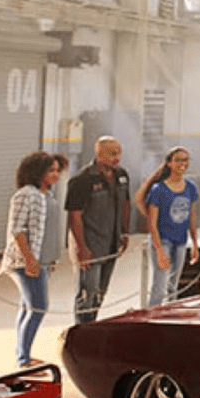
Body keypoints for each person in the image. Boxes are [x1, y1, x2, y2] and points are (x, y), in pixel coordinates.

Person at [0, 152, 64, 367]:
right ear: (37, 172)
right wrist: (29, 259)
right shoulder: (25, 195)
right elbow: (17, 230)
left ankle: (23, 354)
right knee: (38, 307)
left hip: (42, 261)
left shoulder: (48, 195)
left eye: (57, 170)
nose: (55, 174)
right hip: (24, 261)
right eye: (50, 170)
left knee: (28, 307)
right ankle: (23, 360)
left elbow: (49, 230)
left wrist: (50, 260)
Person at [66, 135, 130, 324]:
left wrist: (124, 233)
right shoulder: (82, 180)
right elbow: (74, 215)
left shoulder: (121, 176)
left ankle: (92, 326)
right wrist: (82, 248)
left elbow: (126, 204)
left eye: (119, 153)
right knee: (87, 294)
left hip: (110, 244)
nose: (117, 157)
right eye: (112, 153)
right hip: (90, 245)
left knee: (100, 293)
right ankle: (81, 332)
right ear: (99, 154)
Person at [144, 147, 200, 306]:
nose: (182, 164)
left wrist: (195, 244)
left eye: (185, 160)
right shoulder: (158, 190)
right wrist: (159, 250)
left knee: (173, 287)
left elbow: (192, 217)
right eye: (178, 160)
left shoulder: (190, 187)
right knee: (159, 286)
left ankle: (169, 316)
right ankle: (152, 317)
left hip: (181, 241)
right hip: (163, 240)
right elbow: (152, 223)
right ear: (169, 163)